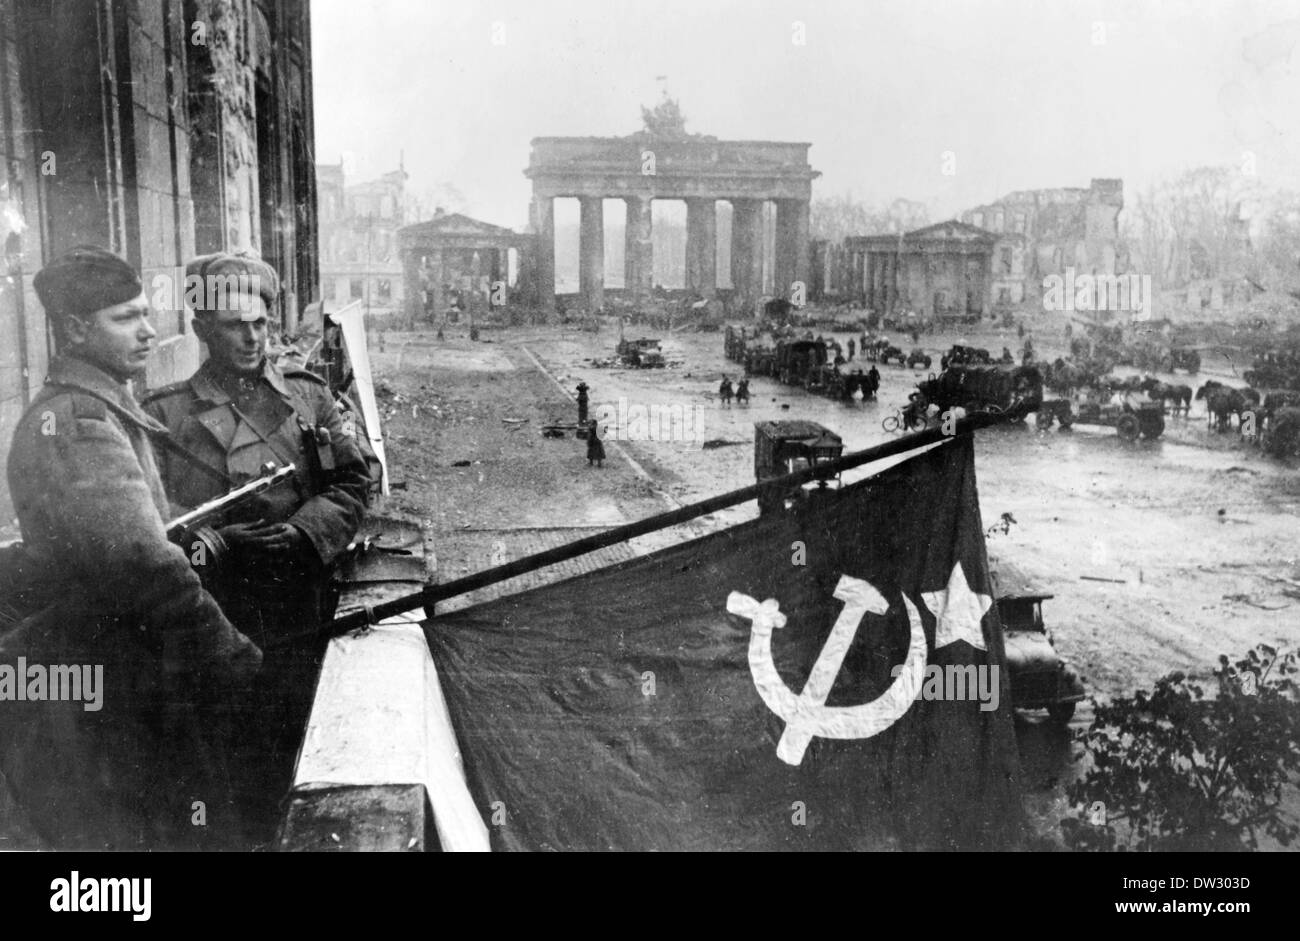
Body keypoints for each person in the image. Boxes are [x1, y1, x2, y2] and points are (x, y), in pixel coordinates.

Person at [0, 246, 263, 850]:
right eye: (125, 318)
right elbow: (143, 568)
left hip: (122, 672)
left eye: (146, 313)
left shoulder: (95, 407)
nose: (148, 331)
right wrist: (230, 657)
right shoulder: (78, 423)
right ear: (73, 329)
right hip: (114, 686)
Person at [142, 251, 369, 840]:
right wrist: (210, 542)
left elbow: (353, 480)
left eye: (260, 323)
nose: (251, 337)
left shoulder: (307, 398)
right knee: (219, 772)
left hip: (300, 607)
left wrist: (303, 531)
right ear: (200, 329)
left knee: (301, 751)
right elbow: (144, 523)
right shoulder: (163, 416)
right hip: (210, 620)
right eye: (232, 325)